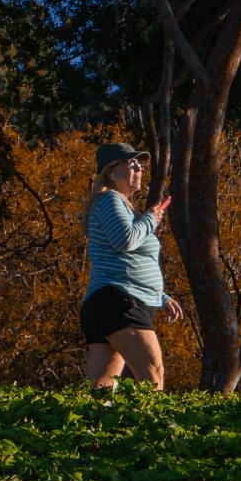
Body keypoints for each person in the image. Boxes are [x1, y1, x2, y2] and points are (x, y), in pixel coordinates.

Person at [80, 141, 183, 389]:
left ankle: (89, 427)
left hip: (110, 302)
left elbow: (133, 260)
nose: (139, 168)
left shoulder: (121, 205)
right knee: (153, 377)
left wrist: (162, 297)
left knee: (101, 391)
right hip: (119, 301)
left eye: (140, 164)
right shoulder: (109, 199)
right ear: (112, 172)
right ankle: (153, 428)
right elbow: (125, 240)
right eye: (132, 163)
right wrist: (151, 218)